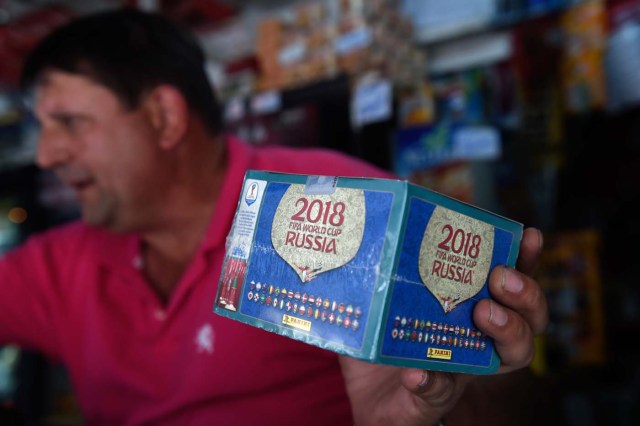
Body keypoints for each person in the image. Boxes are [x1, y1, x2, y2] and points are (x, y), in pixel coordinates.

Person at [0, 7, 549, 426]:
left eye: (69, 122)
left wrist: (447, 397)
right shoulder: (62, 261)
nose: (46, 155)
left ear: (163, 117)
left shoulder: (348, 206)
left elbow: (497, 395)